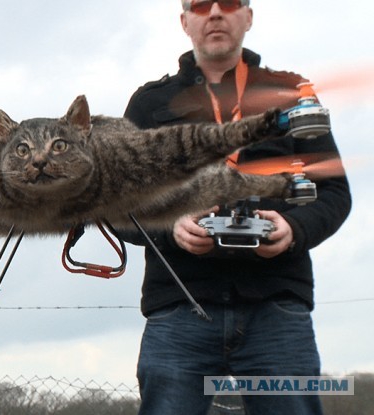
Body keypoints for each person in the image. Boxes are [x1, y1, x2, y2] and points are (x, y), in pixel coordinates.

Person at [122, 1, 352, 414]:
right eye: (200, 5)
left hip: (276, 306)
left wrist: (293, 230)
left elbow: (334, 192)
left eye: (228, 3)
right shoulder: (148, 104)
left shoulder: (293, 95)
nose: (214, 13)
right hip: (181, 304)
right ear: (185, 21)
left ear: (248, 16)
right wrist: (171, 227)